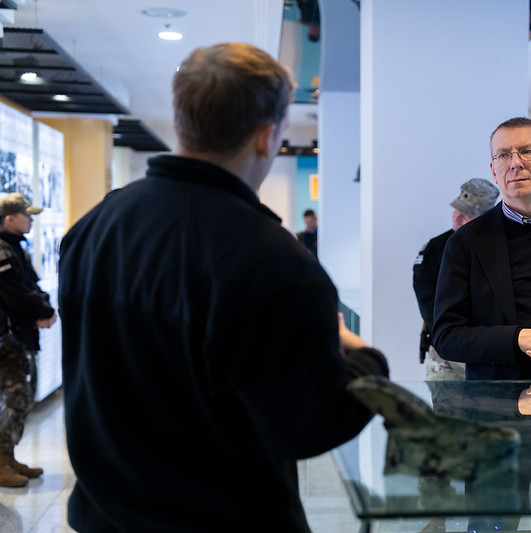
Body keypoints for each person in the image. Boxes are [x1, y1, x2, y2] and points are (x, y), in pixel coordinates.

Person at [58, 42, 389, 532]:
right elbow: (308, 427)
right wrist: (366, 359)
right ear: (267, 136)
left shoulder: (95, 226)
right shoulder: (273, 260)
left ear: (182, 120)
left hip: (105, 519)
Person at [432, 116, 531, 381]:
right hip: (498, 396)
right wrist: (520, 338)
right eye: (504, 155)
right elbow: (447, 337)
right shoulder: (465, 242)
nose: (516, 163)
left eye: (527, 151)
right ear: (494, 171)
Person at [412, 178, 498, 380]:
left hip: (492, 353)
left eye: (467, 214)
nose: (457, 217)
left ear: (487, 218)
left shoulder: (500, 248)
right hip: (450, 356)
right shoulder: (436, 249)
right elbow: (428, 301)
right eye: (457, 209)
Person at [0, 192, 56, 488]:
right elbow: (15, 295)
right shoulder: (3, 251)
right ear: (9, 218)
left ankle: (8, 457)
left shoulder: (15, 248)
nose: (30, 220)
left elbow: (32, 285)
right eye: (26, 215)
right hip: (8, 338)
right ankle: (1, 462)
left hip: (19, 334)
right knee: (14, 399)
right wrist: (42, 311)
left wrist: (45, 308)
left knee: (19, 399)